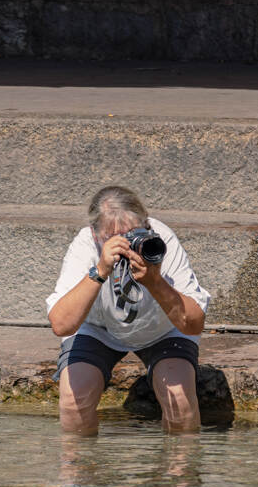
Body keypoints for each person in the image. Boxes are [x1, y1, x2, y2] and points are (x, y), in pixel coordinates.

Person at [47, 186, 211, 435]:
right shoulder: (85, 245)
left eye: (133, 235)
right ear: (95, 234)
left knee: (180, 402)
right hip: (98, 329)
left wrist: (155, 282)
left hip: (162, 330)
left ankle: (181, 471)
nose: (126, 247)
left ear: (147, 224)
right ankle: (81, 470)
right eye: (113, 238)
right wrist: (101, 269)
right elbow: (61, 324)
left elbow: (194, 323)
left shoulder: (161, 241)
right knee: (73, 401)